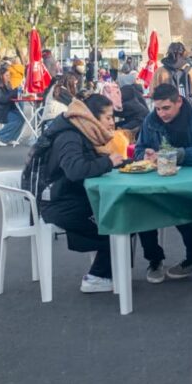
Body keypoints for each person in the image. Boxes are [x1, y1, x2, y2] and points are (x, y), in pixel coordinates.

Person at [35, 95, 126, 293]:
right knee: (119, 222)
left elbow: (89, 161)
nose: (112, 123)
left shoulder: (78, 130)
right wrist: (108, 162)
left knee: (121, 215)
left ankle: (110, 271)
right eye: (109, 117)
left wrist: (121, 163)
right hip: (59, 204)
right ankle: (97, 277)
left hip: (67, 198)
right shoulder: (70, 136)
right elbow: (75, 170)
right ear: (92, 117)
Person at [134, 83, 192, 283]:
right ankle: (154, 260)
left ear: (179, 102)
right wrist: (143, 154)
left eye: (166, 108)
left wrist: (179, 155)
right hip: (157, 183)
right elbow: (139, 149)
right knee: (139, 210)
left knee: (181, 213)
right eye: (157, 108)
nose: (161, 113)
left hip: (189, 186)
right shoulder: (150, 120)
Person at [0, 64, 25, 146]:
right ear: (1, 75)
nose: (8, 77)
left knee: (21, 118)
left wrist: (17, 92)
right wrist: (14, 92)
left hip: (2, 108)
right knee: (16, 119)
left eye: (9, 75)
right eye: (6, 75)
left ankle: (10, 138)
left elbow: (8, 95)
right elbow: (2, 99)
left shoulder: (6, 84)